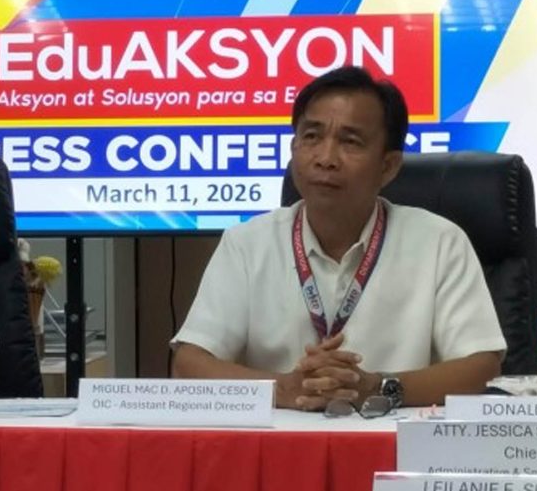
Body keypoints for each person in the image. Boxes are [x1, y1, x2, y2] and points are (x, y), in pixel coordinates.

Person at [171, 66, 506, 410]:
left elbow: (482, 367)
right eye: (311, 137)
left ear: (388, 166)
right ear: (294, 147)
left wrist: (377, 388)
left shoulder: (440, 242)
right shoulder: (247, 243)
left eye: (350, 142)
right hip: (282, 437)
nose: (326, 159)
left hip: (394, 437)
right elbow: (189, 362)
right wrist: (284, 389)